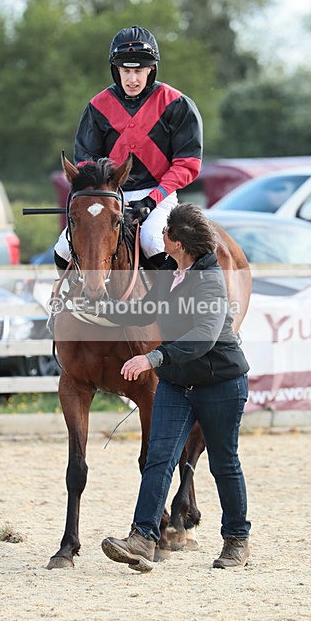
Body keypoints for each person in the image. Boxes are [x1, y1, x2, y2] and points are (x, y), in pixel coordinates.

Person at [98, 203, 251, 572]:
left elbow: (203, 337)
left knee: (223, 463)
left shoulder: (211, 281)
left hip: (220, 384)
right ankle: (142, 538)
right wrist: (94, 306)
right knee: (159, 459)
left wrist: (152, 359)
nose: (160, 236)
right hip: (177, 384)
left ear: (178, 243)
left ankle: (236, 540)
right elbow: (142, 311)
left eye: (166, 233)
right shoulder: (170, 273)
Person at [54, 25, 203, 271]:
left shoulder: (177, 104)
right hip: (110, 195)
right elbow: (86, 164)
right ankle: (67, 301)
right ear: (116, 70)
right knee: (62, 249)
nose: (132, 79)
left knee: (152, 242)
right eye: (125, 71)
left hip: (159, 194)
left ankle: (172, 304)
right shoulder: (97, 106)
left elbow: (188, 164)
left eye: (139, 71)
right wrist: (102, 197)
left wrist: (151, 201)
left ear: (151, 69)